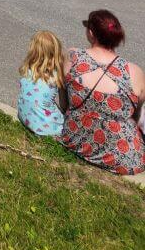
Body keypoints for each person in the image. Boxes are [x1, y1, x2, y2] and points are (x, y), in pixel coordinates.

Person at [61, 10, 145, 175]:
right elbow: (136, 114)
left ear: (91, 33)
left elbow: (64, 103)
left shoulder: (73, 56)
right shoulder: (134, 72)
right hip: (124, 159)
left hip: (76, 142)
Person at [17, 31, 67, 137]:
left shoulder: (28, 69)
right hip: (48, 128)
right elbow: (64, 105)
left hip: (24, 117)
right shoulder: (57, 75)